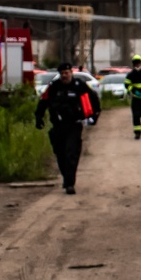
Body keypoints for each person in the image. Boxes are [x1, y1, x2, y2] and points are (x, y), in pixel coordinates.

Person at [34, 65, 100, 194]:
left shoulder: (79, 86)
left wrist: (94, 116)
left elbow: (93, 99)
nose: (65, 75)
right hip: (58, 126)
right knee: (60, 153)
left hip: (74, 125)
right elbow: (43, 102)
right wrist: (38, 117)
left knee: (71, 154)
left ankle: (70, 183)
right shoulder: (54, 86)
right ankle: (66, 177)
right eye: (62, 73)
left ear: (71, 73)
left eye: (67, 73)